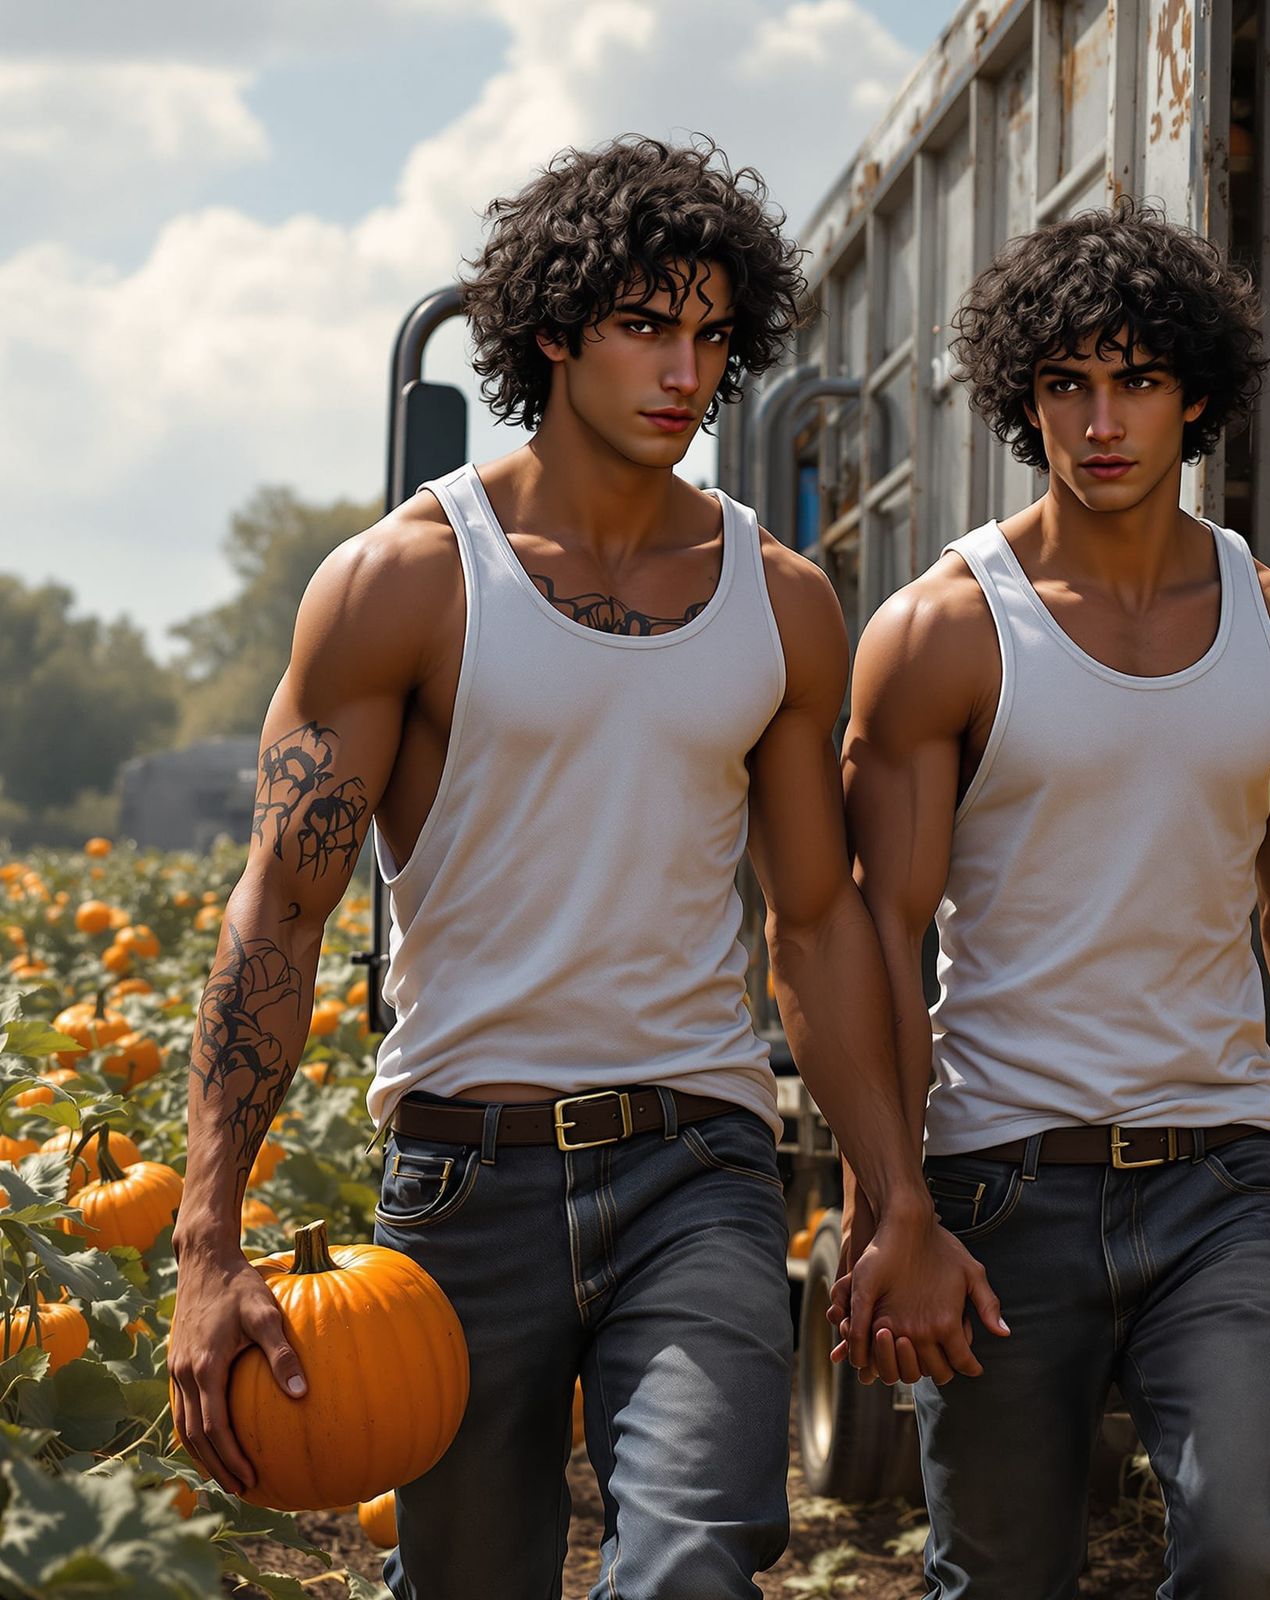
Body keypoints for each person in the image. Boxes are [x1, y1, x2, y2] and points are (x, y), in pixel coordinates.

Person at [167, 134, 1000, 1600]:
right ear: (553, 331)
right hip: (459, 1173)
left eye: (711, 335)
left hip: (699, 1166)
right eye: (645, 326)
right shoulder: (403, 583)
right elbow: (281, 912)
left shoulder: (784, 603)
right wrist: (204, 1240)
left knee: (689, 1567)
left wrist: (893, 1190)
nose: (685, 371)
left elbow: (817, 923)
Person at [834, 197, 1270, 1597]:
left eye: (1136, 380)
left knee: (1250, 1553)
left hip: (1224, 1184)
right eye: (1066, 384)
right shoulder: (942, 634)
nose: (1101, 420)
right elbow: (872, 930)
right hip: (1002, 1182)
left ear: (1197, 397)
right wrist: (893, 1203)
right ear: (1025, 400)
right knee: (998, 1577)